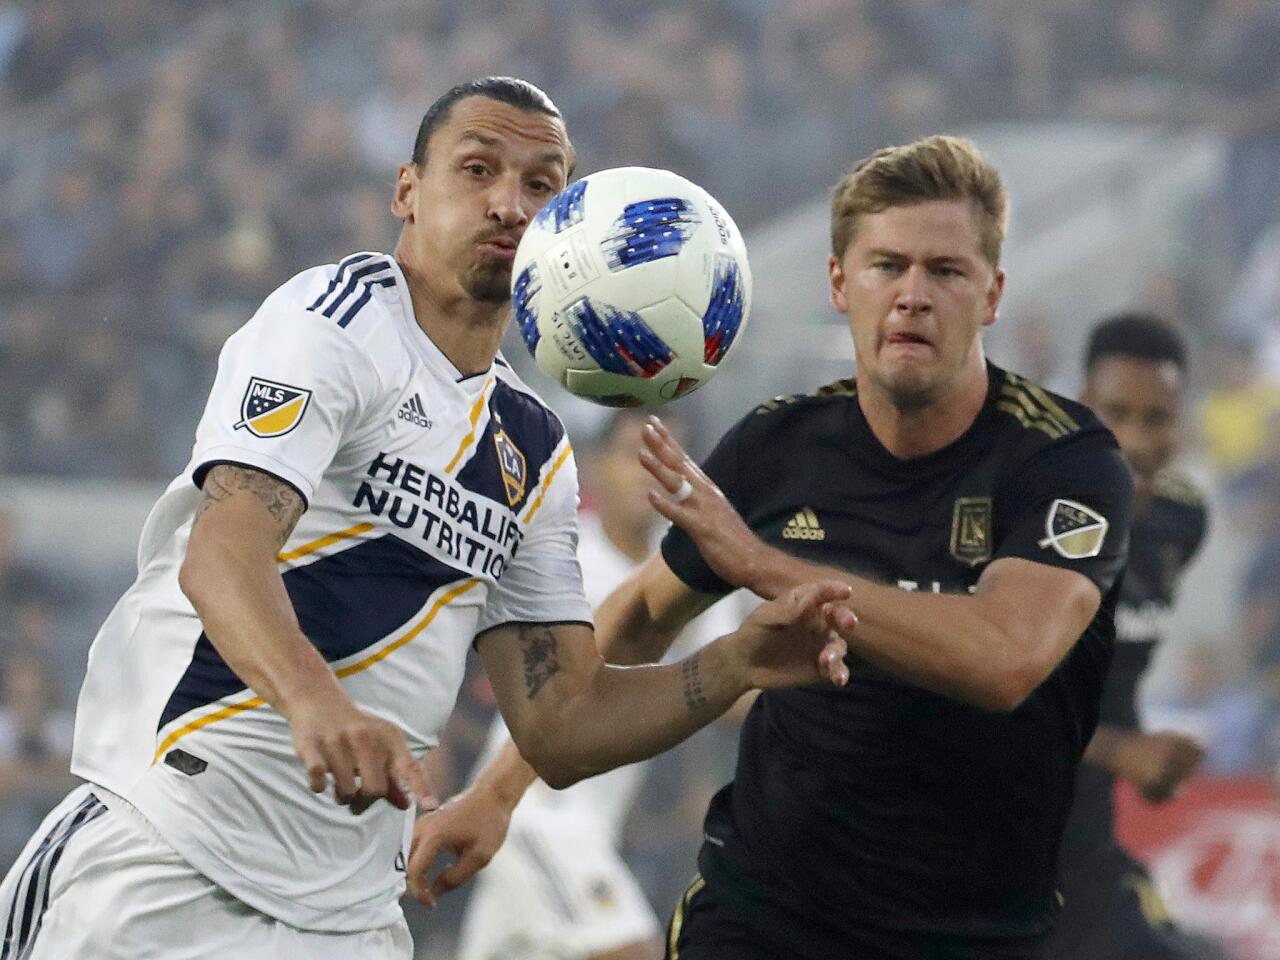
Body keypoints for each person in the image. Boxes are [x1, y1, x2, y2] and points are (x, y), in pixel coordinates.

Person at [0, 77, 856, 960]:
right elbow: (223, 552)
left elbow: (560, 721)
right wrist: (315, 702)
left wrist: (733, 663)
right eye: (478, 169)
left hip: (348, 916)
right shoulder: (331, 322)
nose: (508, 203)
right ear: (407, 190)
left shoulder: (534, 447)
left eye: (541, 186)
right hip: (167, 855)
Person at [418, 134, 1135, 959]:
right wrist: (500, 794)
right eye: (885, 266)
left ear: (993, 293)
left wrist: (763, 564)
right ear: (839, 282)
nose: (912, 296)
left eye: (945, 271)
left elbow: (1005, 658)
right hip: (766, 910)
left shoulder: (1064, 460)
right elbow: (638, 618)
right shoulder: (778, 447)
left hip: (975, 930)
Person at [454, 411, 745, 960]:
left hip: (593, 824)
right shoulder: (560, 559)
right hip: (536, 811)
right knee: (631, 950)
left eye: (666, 461)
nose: (648, 475)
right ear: (594, 468)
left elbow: (734, 680)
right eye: (632, 456)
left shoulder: (683, 573)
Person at [1041, 315, 1212, 959]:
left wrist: (1154, 761)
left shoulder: (1181, 522)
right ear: (1083, 405)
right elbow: (986, 695)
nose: (1138, 440)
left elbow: (1118, 676)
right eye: (1118, 413)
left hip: (1091, 850)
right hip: (996, 850)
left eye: (1158, 417)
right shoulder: (1035, 523)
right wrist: (1121, 751)